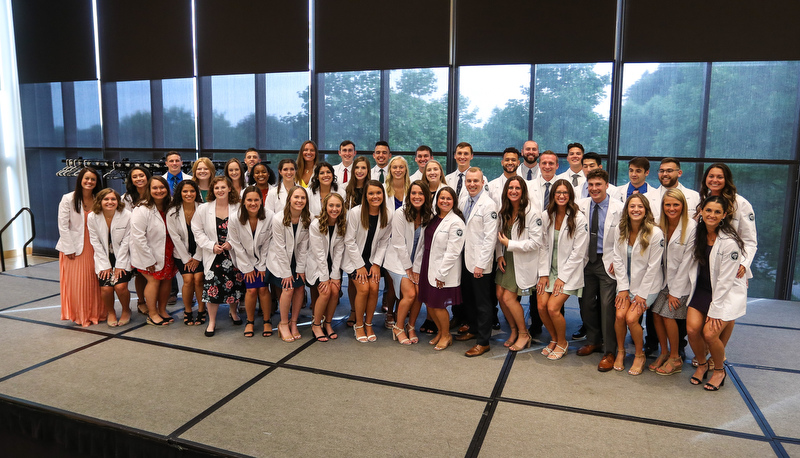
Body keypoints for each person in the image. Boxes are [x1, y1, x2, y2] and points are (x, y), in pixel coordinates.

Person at [686, 196, 747, 391]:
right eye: (708, 210)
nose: (712, 215)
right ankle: (702, 364)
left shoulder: (729, 242)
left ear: (724, 215)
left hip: (723, 294)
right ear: (701, 211)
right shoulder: (698, 233)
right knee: (692, 330)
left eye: (717, 212)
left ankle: (719, 370)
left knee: (710, 334)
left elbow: (725, 281)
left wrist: (715, 310)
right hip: (702, 289)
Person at [575, 169, 625, 372]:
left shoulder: (619, 208)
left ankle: (610, 351)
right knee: (586, 303)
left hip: (608, 263)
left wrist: (618, 260)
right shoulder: (580, 206)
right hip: (587, 261)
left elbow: (624, 237)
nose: (594, 188)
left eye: (598, 184)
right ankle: (594, 340)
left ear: (606, 186)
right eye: (591, 185)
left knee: (607, 306)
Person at [610, 193, 664, 375]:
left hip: (648, 286)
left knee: (631, 318)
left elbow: (653, 267)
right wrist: (623, 289)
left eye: (640, 206)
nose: (636, 210)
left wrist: (641, 294)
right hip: (626, 284)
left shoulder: (655, 233)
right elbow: (617, 259)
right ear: (627, 210)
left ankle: (639, 355)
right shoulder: (620, 229)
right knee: (619, 316)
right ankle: (621, 351)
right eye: (632, 206)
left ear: (646, 210)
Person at [537, 179, 588, 360]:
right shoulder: (546, 215)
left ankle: (562, 342)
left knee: (552, 308)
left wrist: (562, 278)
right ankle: (554, 339)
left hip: (569, 273)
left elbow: (578, 253)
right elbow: (542, 246)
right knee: (541, 306)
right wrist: (543, 274)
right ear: (553, 195)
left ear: (570, 196)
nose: (561, 196)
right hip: (549, 270)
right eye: (558, 192)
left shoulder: (579, 218)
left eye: (565, 193)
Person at [413, 186, 466, 351]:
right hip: (428, 265)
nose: (444, 201)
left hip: (443, 270)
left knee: (438, 305)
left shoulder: (456, 222)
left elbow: (453, 252)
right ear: (437, 200)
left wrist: (441, 274)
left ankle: (446, 335)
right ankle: (441, 332)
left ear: (454, 201)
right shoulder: (434, 218)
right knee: (429, 303)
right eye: (442, 198)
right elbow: (423, 244)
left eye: (448, 198)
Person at [649, 189, 696, 375]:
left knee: (668, 315)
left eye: (675, 205)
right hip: (663, 281)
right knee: (656, 314)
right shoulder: (660, 225)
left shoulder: (691, 227)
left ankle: (675, 357)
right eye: (667, 205)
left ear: (683, 206)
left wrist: (675, 292)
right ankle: (664, 352)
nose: (671, 208)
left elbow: (687, 263)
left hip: (681, 284)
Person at [191, 176, 245, 337]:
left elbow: (244, 229)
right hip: (214, 254)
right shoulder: (203, 209)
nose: (220, 190)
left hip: (232, 253)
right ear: (212, 190)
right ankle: (212, 321)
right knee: (212, 289)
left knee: (234, 286)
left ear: (229, 188)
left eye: (223, 187)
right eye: (216, 188)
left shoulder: (238, 207)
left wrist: (231, 243)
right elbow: (197, 231)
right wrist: (210, 246)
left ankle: (234, 313)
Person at [495, 176, 541, 352]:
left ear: (523, 191)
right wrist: (500, 254)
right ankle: (514, 330)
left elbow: (536, 242)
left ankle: (523, 333)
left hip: (521, 260)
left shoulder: (532, 213)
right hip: (506, 258)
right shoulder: (505, 210)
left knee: (509, 298)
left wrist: (510, 245)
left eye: (517, 188)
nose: (513, 191)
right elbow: (499, 236)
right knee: (500, 295)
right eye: (510, 188)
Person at [457, 168, 499, 357]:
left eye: (476, 181)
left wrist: (481, 264)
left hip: (479, 263)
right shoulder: (464, 200)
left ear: (483, 182)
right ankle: (473, 329)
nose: (472, 184)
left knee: (483, 302)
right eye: (469, 181)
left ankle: (483, 341)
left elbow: (490, 238)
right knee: (469, 298)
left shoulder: (489, 205)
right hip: (465, 259)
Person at [384, 181, 432, 345]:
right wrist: (408, 268)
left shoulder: (429, 215)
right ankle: (398, 327)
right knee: (410, 294)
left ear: (426, 196)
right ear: (409, 195)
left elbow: (424, 246)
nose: (417, 196)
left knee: (420, 292)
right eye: (413, 193)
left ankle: (410, 326)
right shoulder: (400, 213)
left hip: (415, 263)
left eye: (420, 193)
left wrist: (416, 269)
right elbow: (398, 243)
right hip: (397, 261)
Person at [344, 181, 392, 342]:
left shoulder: (387, 214)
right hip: (353, 259)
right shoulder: (355, 212)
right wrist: (359, 266)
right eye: (371, 193)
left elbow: (384, 241)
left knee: (374, 287)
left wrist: (377, 264)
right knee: (364, 289)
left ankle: (369, 324)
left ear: (383, 195)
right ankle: (358, 325)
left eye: (378, 193)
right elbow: (349, 241)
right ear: (365, 196)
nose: (375, 196)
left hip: (372, 259)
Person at [57, 167, 104, 327]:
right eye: (87, 178)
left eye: (93, 179)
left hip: (95, 246)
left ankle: (97, 313)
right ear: (80, 180)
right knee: (79, 285)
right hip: (74, 248)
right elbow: (63, 226)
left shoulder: (100, 198)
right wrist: (69, 248)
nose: (89, 182)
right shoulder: (68, 199)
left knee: (95, 282)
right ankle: (81, 316)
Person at [130, 176, 177, 326]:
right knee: (154, 280)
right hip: (149, 252)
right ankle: (152, 313)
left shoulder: (171, 206)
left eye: (162, 187)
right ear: (149, 190)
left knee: (167, 280)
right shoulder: (141, 209)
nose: (159, 191)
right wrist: (148, 259)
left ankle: (162, 310)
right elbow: (138, 236)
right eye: (155, 188)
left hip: (168, 250)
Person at [697, 163, 757, 282]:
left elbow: (749, 240)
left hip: (730, 263)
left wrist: (743, 264)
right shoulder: (702, 200)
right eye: (711, 176)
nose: (715, 180)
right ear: (705, 179)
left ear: (727, 180)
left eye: (720, 177)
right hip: (704, 259)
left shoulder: (740, 203)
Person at [266, 186, 311, 342]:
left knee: (299, 287)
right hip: (280, 261)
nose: (299, 200)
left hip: (297, 259)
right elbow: (279, 248)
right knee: (288, 288)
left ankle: (293, 323)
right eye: (296, 197)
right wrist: (286, 273)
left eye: (302, 198)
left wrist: (300, 268)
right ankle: (283, 323)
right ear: (289, 199)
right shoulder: (278, 219)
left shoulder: (307, 218)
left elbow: (304, 246)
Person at [228, 186, 274, 338]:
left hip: (264, 259)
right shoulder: (234, 218)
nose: (253, 203)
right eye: (249, 200)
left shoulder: (269, 216)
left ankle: (267, 321)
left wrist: (261, 266)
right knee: (251, 290)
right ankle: (250, 321)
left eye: (256, 200)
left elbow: (268, 244)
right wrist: (247, 268)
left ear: (261, 201)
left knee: (262, 289)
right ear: (243, 201)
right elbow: (236, 246)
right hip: (244, 260)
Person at [86, 188, 133, 327]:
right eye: (106, 199)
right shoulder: (92, 216)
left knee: (120, 287)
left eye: (113, 199)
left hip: (122, 256)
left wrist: (120, 265)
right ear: (100, 201)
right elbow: (95, 241)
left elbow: (127, 241)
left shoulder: (127, 215)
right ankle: (111, 312)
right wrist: (105, 265)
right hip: (103, 257)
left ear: (118, 201)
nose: (110, 202)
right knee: (106, 289)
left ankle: (126, 310)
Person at [307, 193, 348, 341]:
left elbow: (338, 252)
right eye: (331, 205)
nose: (334, 209)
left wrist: (335, 276)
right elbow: (318, 254)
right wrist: (325, 278)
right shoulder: (315, 225)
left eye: (338, 206)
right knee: (325, 292)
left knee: (335, 291)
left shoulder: (342, 224)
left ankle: (328, 323)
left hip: (332, 265)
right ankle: (316, 325)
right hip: (317, 265)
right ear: (325, 206)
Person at [166, 180, 206, 326]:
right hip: (181, 254)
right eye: (185, 191)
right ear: (180, 193)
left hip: (201, 252)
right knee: (188, 279)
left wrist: (197, 257)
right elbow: (175, 237)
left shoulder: (203, 209)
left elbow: (206, 234)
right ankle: (188, 310)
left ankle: (202, 309)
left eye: (192, 191)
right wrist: (187, 259)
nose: (189, 194)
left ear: (197, 193)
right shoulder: (172, 211)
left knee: (199, 278)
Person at [121, 165, 151, 315]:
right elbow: (125, 221)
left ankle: (153, 301)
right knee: (140, 273)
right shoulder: (126, 198)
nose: (139, 179)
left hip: (154, 239)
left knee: (155, 274)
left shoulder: (155, 192)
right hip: (136, 239)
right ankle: (141, 301)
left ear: (147, 177)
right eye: (135, 177)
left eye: (141, 175)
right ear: (131, 180)